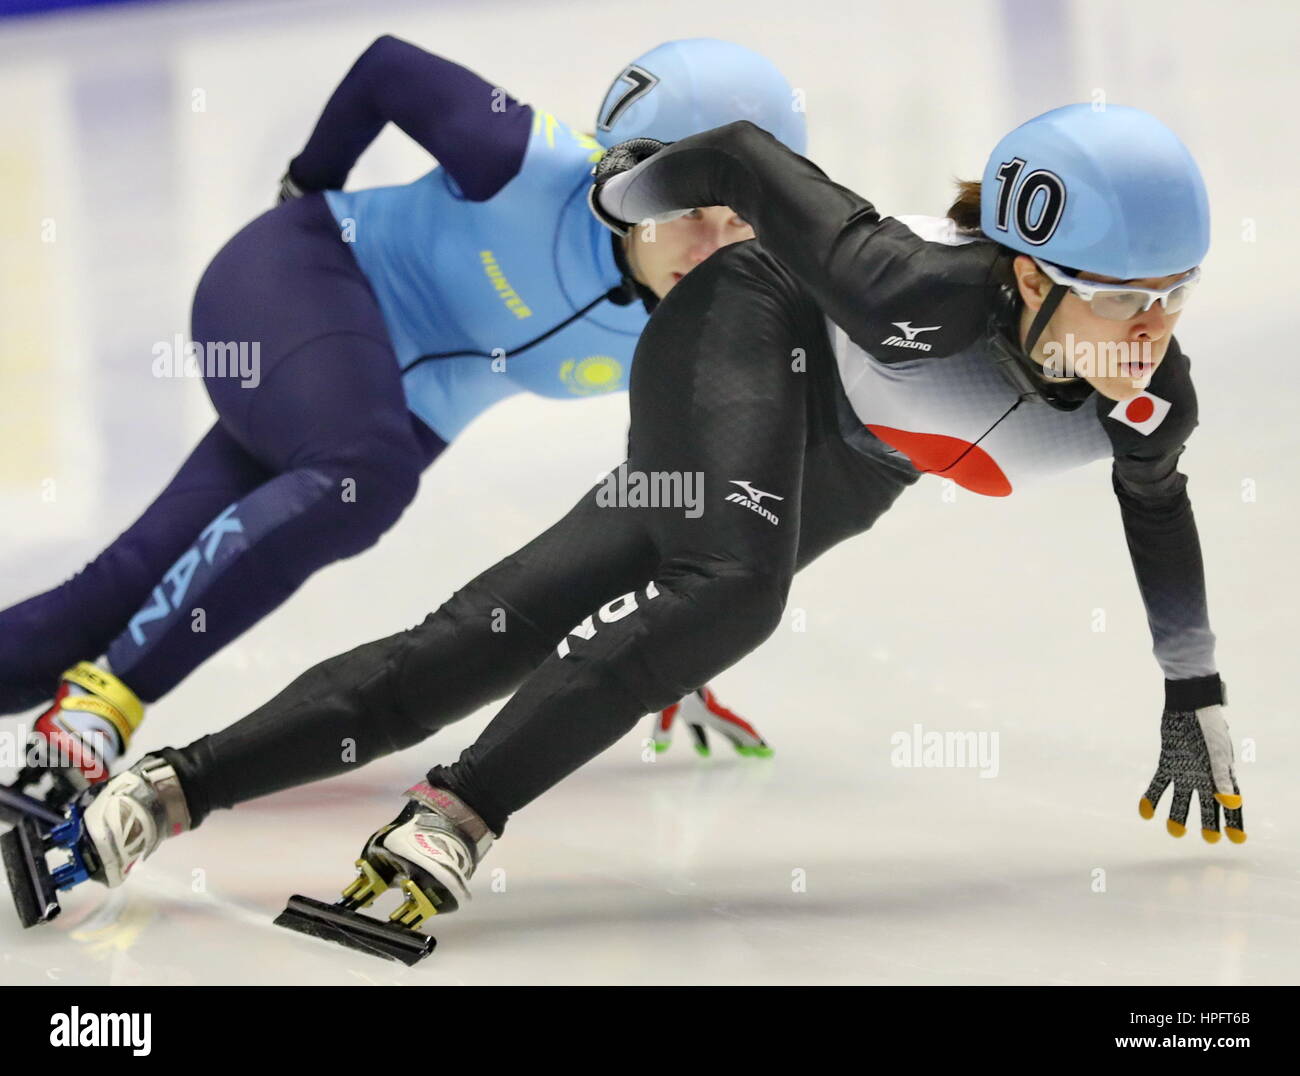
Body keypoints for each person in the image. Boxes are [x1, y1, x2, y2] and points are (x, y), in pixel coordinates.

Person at [54, 103, 1244, 930]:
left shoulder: (1147, 399)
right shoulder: (907, 287)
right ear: (1029, 275)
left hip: (852, 457)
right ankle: (459, 810)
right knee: (732, 587)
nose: (1154, 332)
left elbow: (1157, 508)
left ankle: (165, 788)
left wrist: (1191, 689)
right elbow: (730, 154)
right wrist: (618, 199)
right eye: (1126, 300)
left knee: (509, 622)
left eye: (1175, 297)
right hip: (747, 331)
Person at [0, 36, 805, 806]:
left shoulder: (707, 317)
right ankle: (97, 714)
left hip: (361, 407)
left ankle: (68, 692)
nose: (714, 246)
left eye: (743, 221)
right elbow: (388, 67)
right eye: (693, 209)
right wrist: (308, 183)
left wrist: (674, 658)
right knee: (366, 476)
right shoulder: (526, 162)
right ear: (628, 176)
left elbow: (671, 485)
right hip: (299, 282)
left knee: (96, 607)